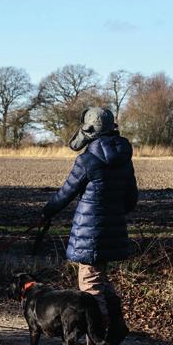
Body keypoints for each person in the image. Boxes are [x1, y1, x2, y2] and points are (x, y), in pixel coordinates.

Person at [31, 106, 138, 329]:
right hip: (113, 231)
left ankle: (99, 337)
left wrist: (46, 212)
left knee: (90, 284)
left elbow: (65, 193)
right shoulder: (124, 159)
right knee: (101, 280)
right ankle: (116, 328)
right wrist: (112, 215)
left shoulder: (87, 160)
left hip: (90, 233)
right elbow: (131, 199)